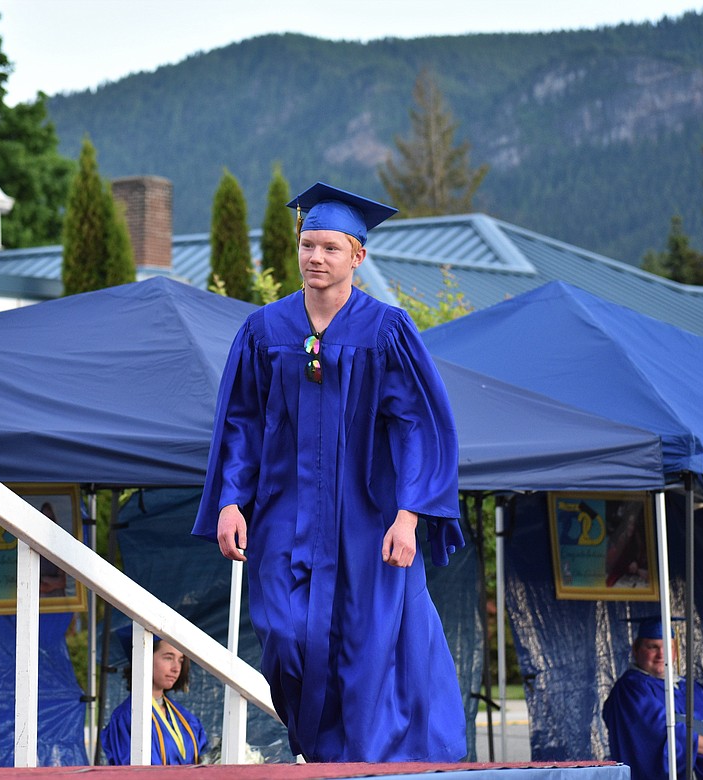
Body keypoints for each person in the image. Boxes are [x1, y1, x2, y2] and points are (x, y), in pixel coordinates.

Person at [192, 182, 467, 763]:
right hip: (284, 516)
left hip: (365, 519)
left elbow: (418, 426)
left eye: (330, 248)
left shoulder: (386, 331)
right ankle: (322, 751)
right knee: (286, 641)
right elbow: (240, 422)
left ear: (357, 256)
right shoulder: (265, 331)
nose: (316, 257)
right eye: (308, 244)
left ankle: (363, 765)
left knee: (367, 651)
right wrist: (229, 501)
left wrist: (409, 516)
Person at [603, 617, 703, 780]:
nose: (661, 654)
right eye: (652, 647)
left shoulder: (691, 687)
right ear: (635, 650)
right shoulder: (631, 689)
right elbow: (666, 733)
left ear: (675, 652)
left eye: (668, 646)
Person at [100, 632, 209, 765]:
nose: (176, 668)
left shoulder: (185, 718)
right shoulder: (127, 718)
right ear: (144, 657)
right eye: (168, 658)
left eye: (180, 660)